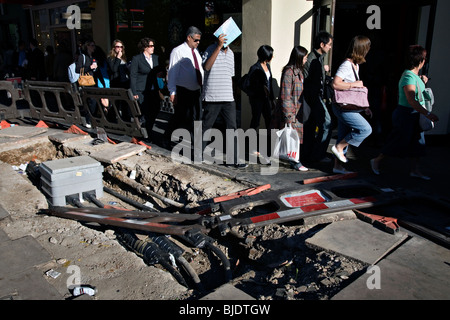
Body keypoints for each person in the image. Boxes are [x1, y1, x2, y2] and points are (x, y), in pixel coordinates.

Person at [370, 45, 439, 180]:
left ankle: (415, 170)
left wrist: (422, 80)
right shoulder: (408, 77)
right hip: (406, 114)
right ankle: (376, 160)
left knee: (418, 143)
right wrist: (428, 114)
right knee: (398, 140)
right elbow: (412, 100)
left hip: (414, 114)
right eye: (424, 59)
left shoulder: (415, 76)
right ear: (421, 61)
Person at [201, 33, 246, 168]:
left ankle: (234, 160)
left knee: (232, 127)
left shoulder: (231, 53)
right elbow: (206, 67)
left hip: (228, 97)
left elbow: (230, 76)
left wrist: (233, 94)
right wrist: (218, 47)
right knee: (206, 126)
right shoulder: (210, 49)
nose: (227, 41)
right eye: (224, 39)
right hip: (212, 96)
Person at [331, 35, 373, 174]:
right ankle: (339, 148)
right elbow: (335, 83)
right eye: (367, 48)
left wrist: (364, 107)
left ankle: (337, 166)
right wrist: (354, 84)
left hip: (348, 106)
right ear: (362, 49)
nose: (368, 50)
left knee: (345, 133)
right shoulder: (347, 65)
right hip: (343, 107)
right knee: (365, 129)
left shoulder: (355, 65)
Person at [164, 26, 204, 148]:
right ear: (188, 37)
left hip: (196, 89)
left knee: (197, 117)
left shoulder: (196, 52)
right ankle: (167, 138)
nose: (198, 42)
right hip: (183, 90)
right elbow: (172, 72)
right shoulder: (178, 51)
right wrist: (172, 91)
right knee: (180, 116)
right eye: (196, 40)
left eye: (199, 40)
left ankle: (196, 142)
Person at [271, 46, 309, 172]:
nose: (306, 60)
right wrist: (288, 116)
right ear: (298, 58)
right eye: (305, 57)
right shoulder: (289, 72)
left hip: (297, 111)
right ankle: (295, 162)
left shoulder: (300, 72)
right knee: (292, 136)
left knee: (294, 137)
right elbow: (285, 96)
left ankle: (293, 160)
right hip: (291, 111)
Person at [302, 31, 333, 165]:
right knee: (326, 123)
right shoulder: (311, 59)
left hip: (316, 97)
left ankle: (313, 154)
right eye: (329, 44)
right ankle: (317, 155)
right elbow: (307, 80)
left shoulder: (319, 58)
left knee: (313, 126)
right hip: (312, 98)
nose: (330, 47)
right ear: (322, 44)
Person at [130, 37, 160, 141]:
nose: (153, 48)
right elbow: (133, 76)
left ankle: (148, 130)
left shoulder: (156, 58)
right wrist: (134, 92)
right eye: (151, 46)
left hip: (153, 89)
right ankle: (144, 133)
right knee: (145, 112)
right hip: (141, 89)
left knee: (155, 110)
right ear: (145, 47)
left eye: (153, 46)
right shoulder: (137, 59)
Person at [247, 45, 275, 131]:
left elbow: (270, 83)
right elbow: (251, 85)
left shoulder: (268, 66)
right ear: (266, 55)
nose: (272, 56)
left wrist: (272, 99)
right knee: (256, 120)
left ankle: (269, 141)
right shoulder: (254, 68)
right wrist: (261, 87)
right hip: (257, 99)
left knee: (269, 119)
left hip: (266, 98)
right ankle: (250, 141)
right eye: (271, 54)